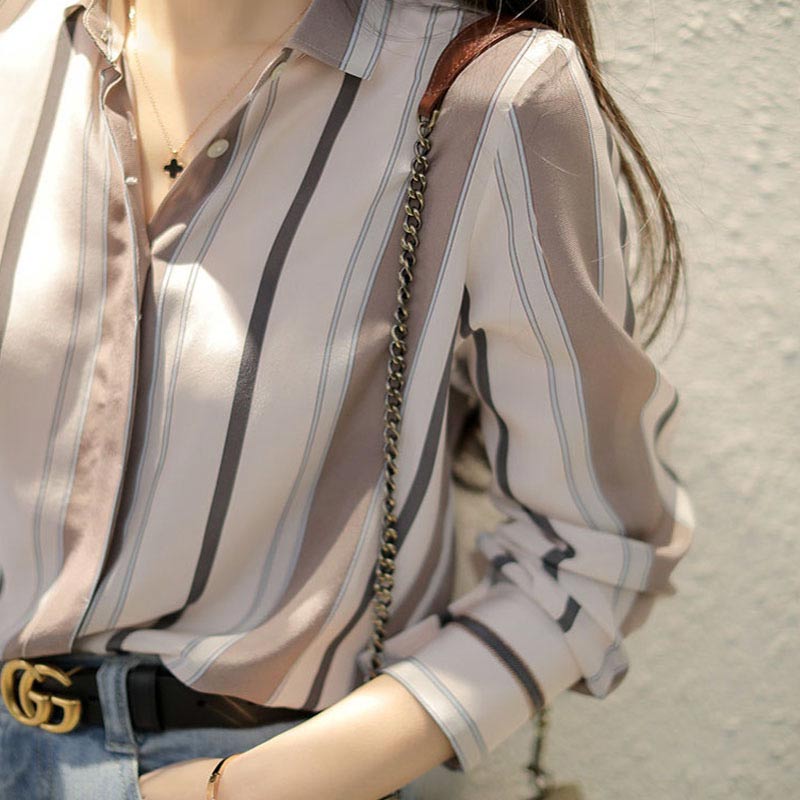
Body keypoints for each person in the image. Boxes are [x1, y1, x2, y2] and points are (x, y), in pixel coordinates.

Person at [0, 0, 696, 798]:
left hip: (248, 757)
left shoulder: (483, 95)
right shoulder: (20, 37)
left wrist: (248, 789)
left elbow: (594, 547)